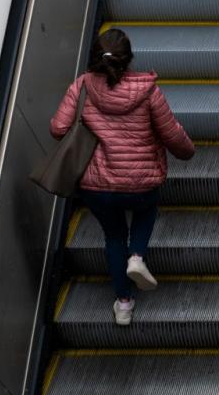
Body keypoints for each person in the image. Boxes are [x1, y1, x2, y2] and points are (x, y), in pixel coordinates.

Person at [49, 29, 194, 326]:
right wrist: (187, 151)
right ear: (129, 59)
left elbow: (58, 128)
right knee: (146, 209)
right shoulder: (148, 91)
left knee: (114, 236)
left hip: (96, 184)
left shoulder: (83, 87)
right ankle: (137, 257)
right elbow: (172, 134)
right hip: (141, 181)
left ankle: (124, 305)